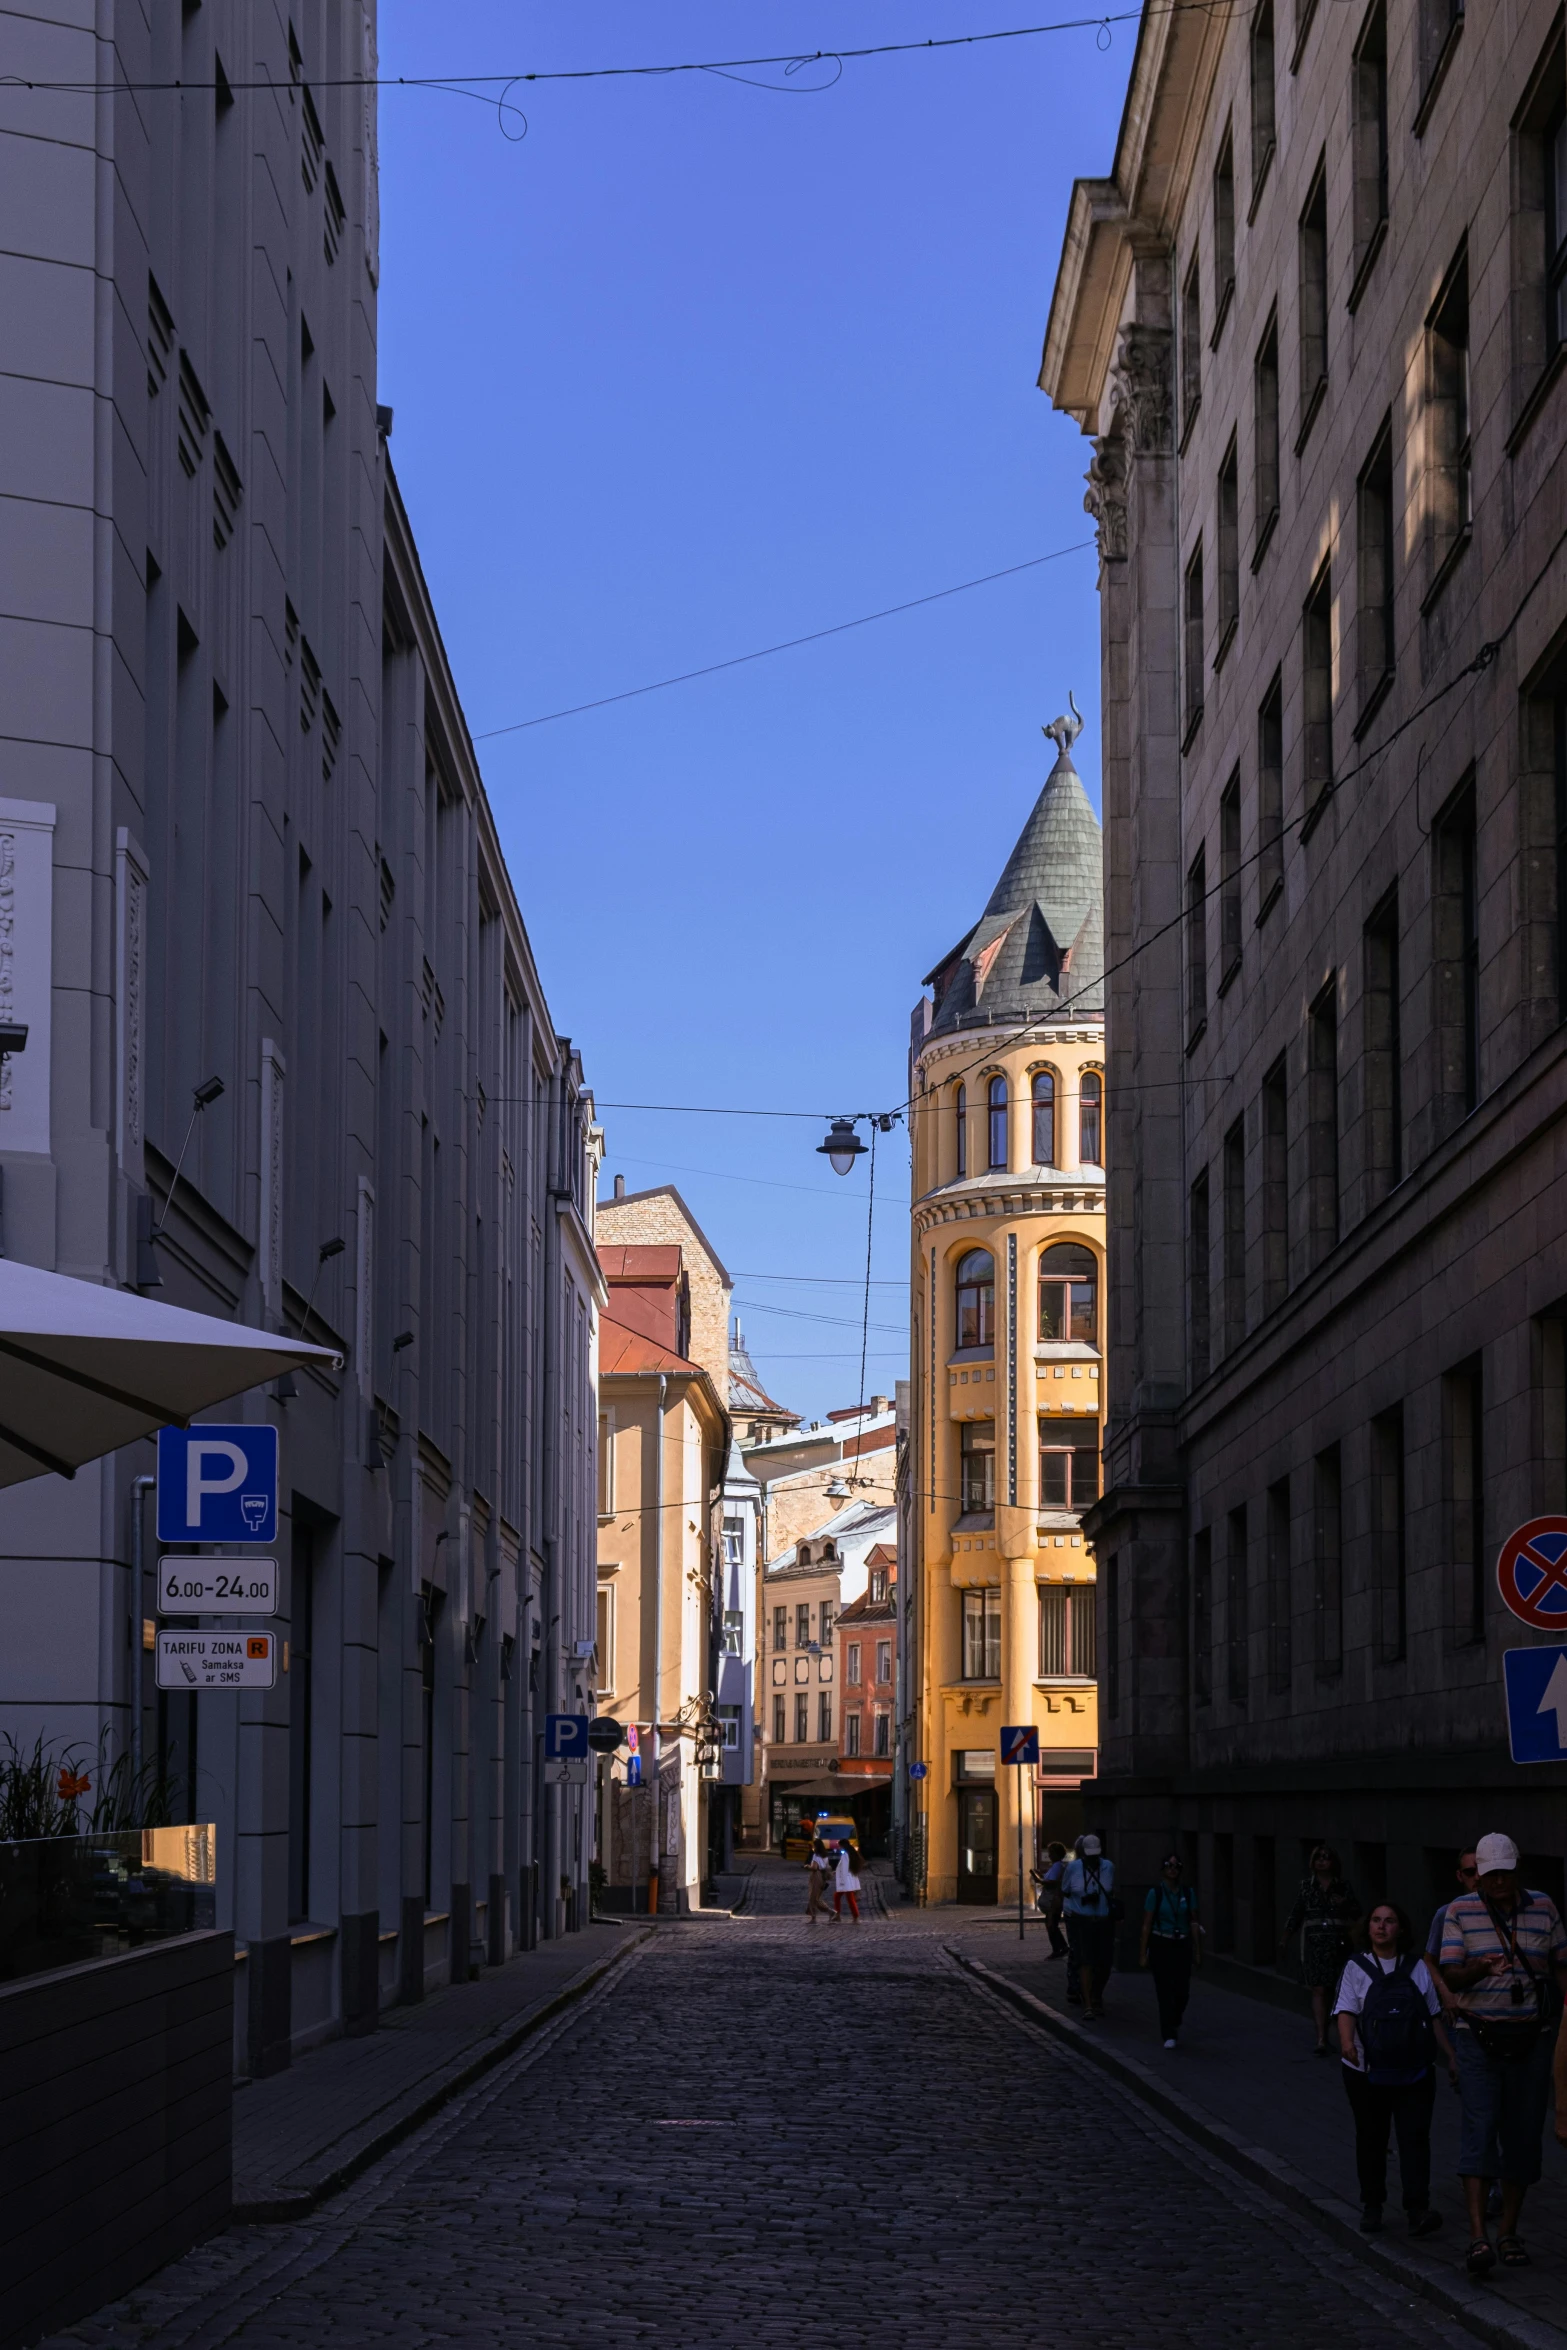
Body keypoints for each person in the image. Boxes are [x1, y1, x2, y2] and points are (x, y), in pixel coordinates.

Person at [1439, 1830, 1567, 2278]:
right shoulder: (1460, 1910)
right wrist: (1479, 1967)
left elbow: (1561, 1964)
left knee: (1523, 2136)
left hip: (1531, 2038)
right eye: (1488, 1874)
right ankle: (1478, 2237)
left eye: (1503, 1874)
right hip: (1478, 2036)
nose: (1496, 1882)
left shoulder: (1544, 1906)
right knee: (1479, 2130)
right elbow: (1451, 1977)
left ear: (1516, 1870)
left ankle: (1509, 2230)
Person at [1332, 1901, 1455, 2236]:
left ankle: (1417, 2208)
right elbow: (1346, 2010)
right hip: (1365, 2071)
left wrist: (1451, 2058)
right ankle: (1373, 2206)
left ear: (1400, 1929)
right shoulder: (1356, 1967)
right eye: (1375, 1920)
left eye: (1389, 1921)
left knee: (1414, 2139)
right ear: (1367, 1927)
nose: (1381, 1926)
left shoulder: (1418, 1968)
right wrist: (1345, 2043)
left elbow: (1432, 2016)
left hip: (1414, 2070)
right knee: (1372, 2139)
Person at [1281, 1844, 1361, 2055]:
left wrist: (1345, 1903)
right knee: (1319, 1989)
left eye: (1326, 1857)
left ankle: (1342, 2033)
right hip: (1314, 1945)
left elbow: (1357, 1911)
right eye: (1318, 1857)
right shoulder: (1306, 1887)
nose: (1322, 1861)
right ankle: (1321, 2038)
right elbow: (1296, 1913)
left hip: (1339, 1944)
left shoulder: (1343, 1886)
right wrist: (1285, 1939)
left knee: (1338, 1990)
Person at [1141, 1852, 1201, 2047]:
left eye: (1176, 1866)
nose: (1173, 1869)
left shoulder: (1187, 1893)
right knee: (1165, 1989)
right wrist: (1143, 1953)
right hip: (1161, 1943)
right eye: (1169, 1865)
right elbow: (1147, 1925)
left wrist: (1197, 1951)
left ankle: (1175, 2018)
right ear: (1163, 1869)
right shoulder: (1155, 1894)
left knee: (1182, 1991)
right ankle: (1169, 2033)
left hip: (1181, 1943)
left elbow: (1193, 1921)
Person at [1060, 1832, 1118, 2020]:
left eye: (1096, 1855)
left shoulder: (1108, 1867)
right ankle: (1088, 2003)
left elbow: (1112, 1891)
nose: (1093, 1859)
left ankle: (1096, 1995)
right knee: (1085, 1962)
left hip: (1103, 1921)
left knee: (1104, 1964)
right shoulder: (1074, 1868)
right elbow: (1065, 1891)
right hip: (1081, 1921)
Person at [1424, 1850, 1479, 2014]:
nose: (1477, 1877)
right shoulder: (1447, 1913)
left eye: (1482, 1870)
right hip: (1460, 2011)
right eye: (1470, 1872)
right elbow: (1429, 1960)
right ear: (1460, 1875)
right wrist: (1445, 1992)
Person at [1036, 1840, 1068, 1959]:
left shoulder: (1057, 1866)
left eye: (1051, 1853)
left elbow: (1053, 1882)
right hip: (1052, 1899)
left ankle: (1058, 1949)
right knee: (1051, 1924)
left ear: (1056, 1854)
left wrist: (1040, 1881)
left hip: (1053, 1900)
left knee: (1051, 1925)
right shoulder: (1055, 1866)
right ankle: (1062, 1947)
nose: (1049, 1855)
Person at [805, 1837, 834, 1924]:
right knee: (816, 1897)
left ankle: (815, 1917)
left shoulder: (816, 1855)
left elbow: (814, 1868)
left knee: (813, 1897)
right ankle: (829, 1912)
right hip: (823, 1876)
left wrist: (807, 1866)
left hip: (816, 1876)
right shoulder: (825, 1856)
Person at [833, 1838, 862, 1922]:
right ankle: (838, 1915)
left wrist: (842, 1881)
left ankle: (855, 1916)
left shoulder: (845, 1855)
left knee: (849, 1898)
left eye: (839, 1846)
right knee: (838, 1896)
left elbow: (844, 1869)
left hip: (846, 1881)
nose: (838, 1847)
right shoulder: (851, 1854)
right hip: (849, 1879)